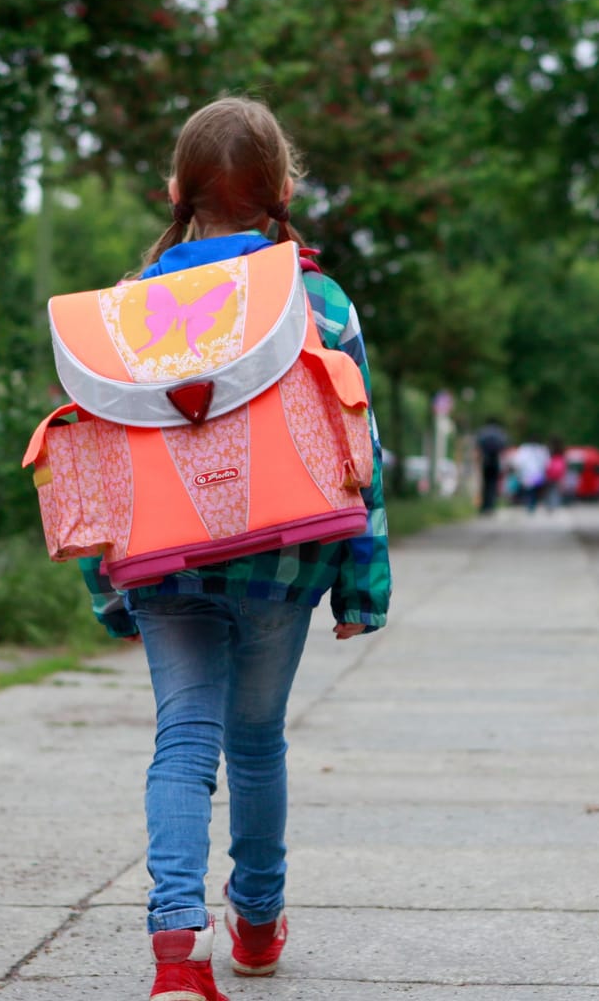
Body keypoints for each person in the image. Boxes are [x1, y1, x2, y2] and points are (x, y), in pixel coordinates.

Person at [73, 97, 391, 1001]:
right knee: (255, 744)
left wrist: (109, 590)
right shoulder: (320, 301)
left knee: (183, 743)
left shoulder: (129, 310)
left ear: (174, 191)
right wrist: (363, 583)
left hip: (166, 561)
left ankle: (178, 951)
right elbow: (362, 450)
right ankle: (256, 921)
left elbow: (106, 463)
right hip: (283, 561)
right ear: (283, 190)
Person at [475, 418, 508, 514]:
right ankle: (491, 506)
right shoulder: (500, 433)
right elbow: (504, 447)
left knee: (485, 484)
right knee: (493, 484)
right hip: (495, 461)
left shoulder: (483, 432)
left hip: (485, 460)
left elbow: (477, 447)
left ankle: (484, 506)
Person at [513, 440, 549, 513]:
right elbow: (546, 462)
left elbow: (519, 461)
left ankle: (530, 505)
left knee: (530, 491)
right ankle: (532, 505)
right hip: (536, 473)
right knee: (534, 491)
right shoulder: (540, 449)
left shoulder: (525, 449)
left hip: (529, 474)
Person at [543, 438, 569, 512]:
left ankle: (549, 505)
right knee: (555, 491)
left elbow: (545, 462)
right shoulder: (561, 451)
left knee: (549, 491)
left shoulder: (549, 451)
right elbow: (564, 464)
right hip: (558, 474)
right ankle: (554, 505)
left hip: (549, 473)